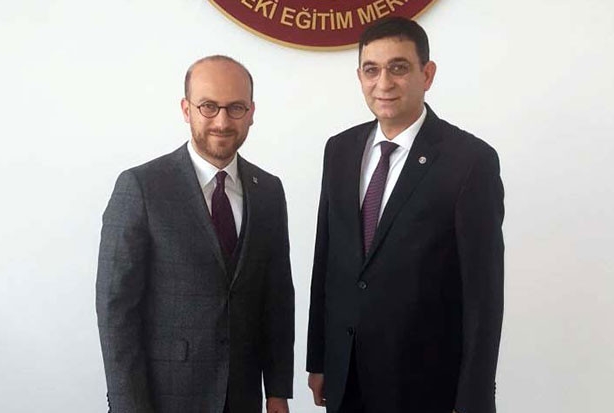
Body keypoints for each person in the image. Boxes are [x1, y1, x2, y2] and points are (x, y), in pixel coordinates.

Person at [306, 17, 504, 413]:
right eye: (371, 70)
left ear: (427, 74)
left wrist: (474, 400)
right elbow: (327, 260)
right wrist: (319, 358)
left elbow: (484, 298)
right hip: (346, 377)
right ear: (359, 77)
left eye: (398, 68)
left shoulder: (469, 162)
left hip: (426, 385)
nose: (384, 83)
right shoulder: (339, 150)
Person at [96, 55, 294, 413]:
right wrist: (128, 406)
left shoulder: (268, 190)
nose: (222, 121)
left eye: (235, 108)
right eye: (208, 107)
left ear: (251, 112)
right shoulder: (141, 187)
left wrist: (277, 389)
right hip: (163, 397)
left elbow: (277, 297)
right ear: (186, 109)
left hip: (243, 396)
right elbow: (116, 310)